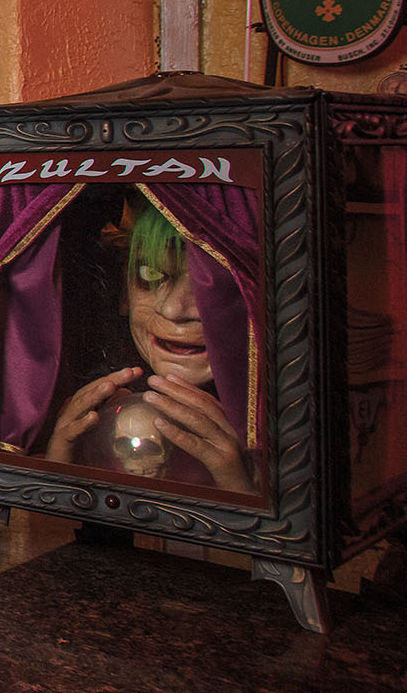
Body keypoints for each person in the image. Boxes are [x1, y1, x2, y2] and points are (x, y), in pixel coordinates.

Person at [36, 197, 256, 494]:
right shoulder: (98, 408)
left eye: (213, 289)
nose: (174, 310)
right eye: (151, 274)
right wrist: (57, 473)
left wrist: (245, 492)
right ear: (124, 294)